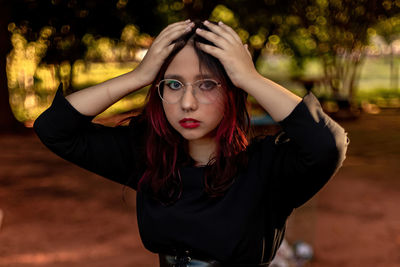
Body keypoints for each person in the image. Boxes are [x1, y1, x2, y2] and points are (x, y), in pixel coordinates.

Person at [34, 19, 349, 267]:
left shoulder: (268, 168)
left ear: (232, 91)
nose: (187, 102)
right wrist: (138, 76)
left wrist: (250, 79)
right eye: (173, 84)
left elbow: (326, 145)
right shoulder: (147, 157)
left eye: (207, 84)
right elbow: (54, 129)